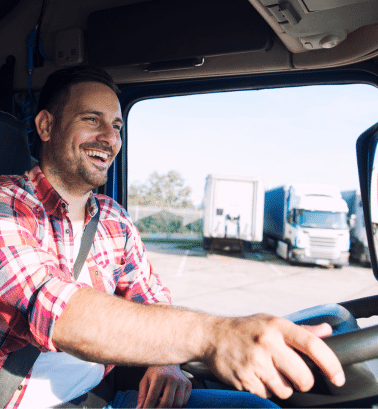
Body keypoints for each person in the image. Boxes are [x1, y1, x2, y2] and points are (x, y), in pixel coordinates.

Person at [0, 66, 345, 409]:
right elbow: (55, 309)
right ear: (46, 126)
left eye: (117, 126)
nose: (110, 138)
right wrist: (214, 336)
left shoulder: (113, 218)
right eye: (92, 120)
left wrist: (165, 359)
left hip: (100, 398)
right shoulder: (8, 205)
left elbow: (151, 297)